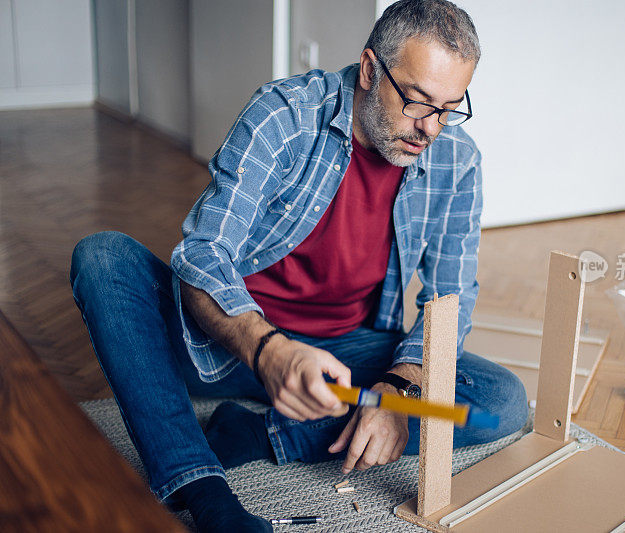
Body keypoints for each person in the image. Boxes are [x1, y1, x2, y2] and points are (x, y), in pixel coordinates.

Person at [70, 1, 527, 531]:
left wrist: (400, 390)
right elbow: (202, 255)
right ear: (369, 69)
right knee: (103, 258)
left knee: (501, 398)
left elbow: (451, 297)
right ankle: (206, 494)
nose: (430, 129)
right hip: (227, 341)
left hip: (340, 353)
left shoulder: (458, 160)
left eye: (449, 109)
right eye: (417, 102)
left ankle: (261, 435)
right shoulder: (284, 115)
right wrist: (270, 351)